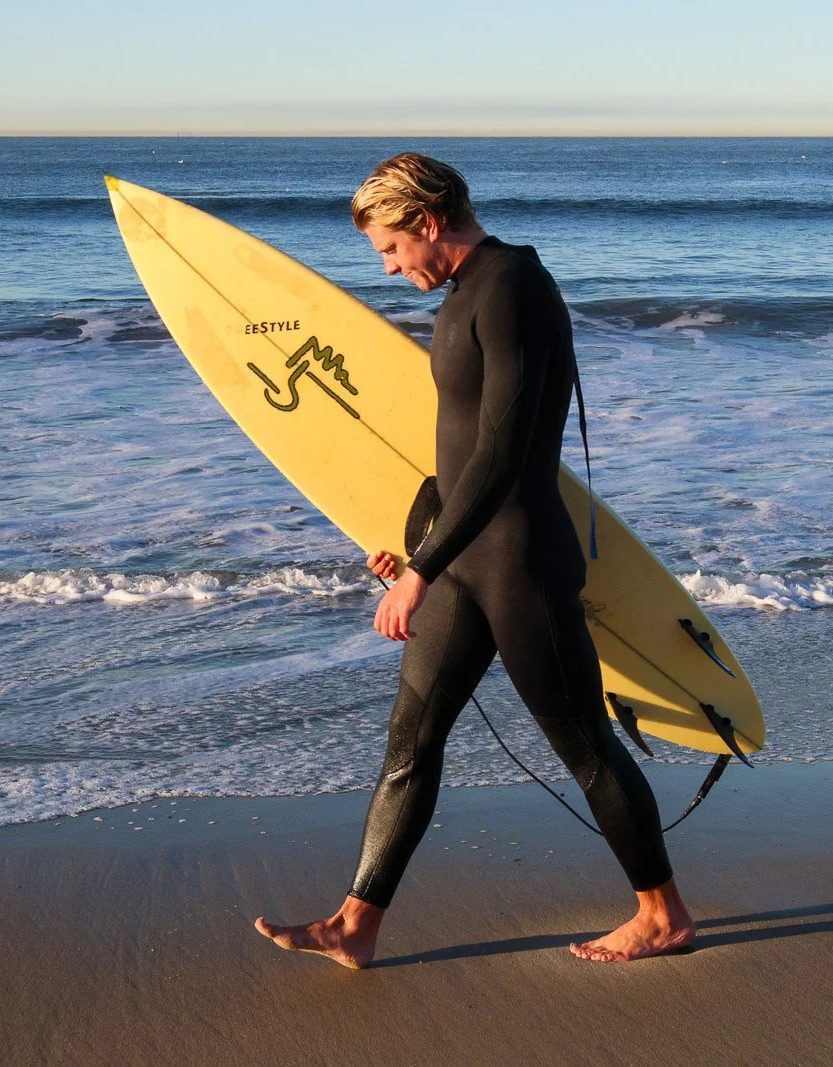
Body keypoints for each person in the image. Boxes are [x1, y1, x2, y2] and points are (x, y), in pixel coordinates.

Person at [253, 152, 694, 967]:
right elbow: (454, 457)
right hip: (462, 563)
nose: (387, 267)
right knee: (410, 744)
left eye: (389, 248)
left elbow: (503, 455)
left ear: (427, 221)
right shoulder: (462, 299)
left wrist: (424, 570)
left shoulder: (513, 287)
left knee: (587, 748)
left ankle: (662, 912)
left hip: (522, 564)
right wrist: (420, 540)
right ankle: (356, 923)